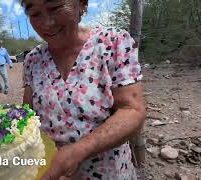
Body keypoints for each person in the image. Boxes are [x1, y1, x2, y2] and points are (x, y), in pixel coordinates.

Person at [21, 0, 146, 179]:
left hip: (108, 173)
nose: (46, 23)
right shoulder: (32, 60)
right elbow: (28, 118)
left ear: (82, 4)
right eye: (34, 14)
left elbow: (132, 110)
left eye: (55, 7)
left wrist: (78, 151)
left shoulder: (112, 43)